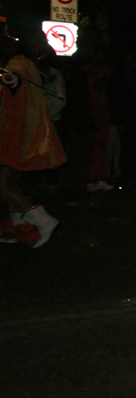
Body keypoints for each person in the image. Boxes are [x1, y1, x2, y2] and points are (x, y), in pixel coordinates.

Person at [0, 32, 67, 248]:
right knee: (10, 183)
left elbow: (11, 82)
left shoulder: (18, 65)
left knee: (5, 186)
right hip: (19, 133)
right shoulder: (25, 65)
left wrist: (7, 78)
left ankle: (43, 221)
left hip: (15, 134)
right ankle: (18, 226)